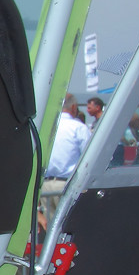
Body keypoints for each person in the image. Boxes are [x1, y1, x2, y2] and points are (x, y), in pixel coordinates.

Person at [40, 94, 92, 227]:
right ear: (74, 107)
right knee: (72, 227)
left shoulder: (47, 127)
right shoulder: (78, 127)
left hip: (45, 185)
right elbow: (90, 157)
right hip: (67, 185)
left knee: (51, 232)